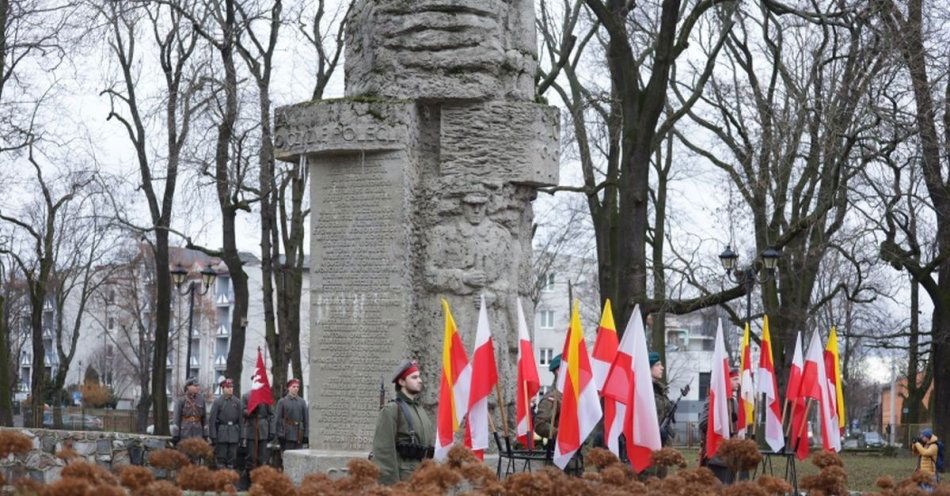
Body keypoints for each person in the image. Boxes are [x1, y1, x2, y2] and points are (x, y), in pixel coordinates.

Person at [371, 359, 435, 485]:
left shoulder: (420, 410)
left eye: (419, 377)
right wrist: (391, 489)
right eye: (414, 377)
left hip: (423, 480)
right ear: (401, 381)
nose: (420, 380)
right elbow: (383, 453)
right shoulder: (392, 410)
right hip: (404, 482)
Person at [699, 367, 742, 483]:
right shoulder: (714, 400)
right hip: (716, 456)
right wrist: (722, 424)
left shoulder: (733, 402)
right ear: (726, 381)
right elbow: (703, 423)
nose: (738, 382)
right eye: (735, 379)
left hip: (731, 455)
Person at [209, 378, 242, 469]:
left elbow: (241, 421)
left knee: (232, 457)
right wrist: (213, 436)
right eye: (228, 387)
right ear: (223, 388)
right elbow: (212, 420)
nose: (230, 389)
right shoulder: (218, 402)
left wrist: (241, 436)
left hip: (234, 433)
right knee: (221, 458)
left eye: (231, 387)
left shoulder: (237, 402)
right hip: (222, 433)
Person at [242, 387, 275, 470]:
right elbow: (242, 411)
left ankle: (261, 478)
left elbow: (271, 415)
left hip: (263, 429)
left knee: (263, 457)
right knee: (251, 457)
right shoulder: (246, 396)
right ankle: (250, 477)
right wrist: (250, 410)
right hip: (251, 428)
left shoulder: (266, 396)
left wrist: (271, 430)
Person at [275, 379, 308, 453]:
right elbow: (278, 419)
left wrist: (306, 435)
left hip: (299, 434)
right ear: (289, 388)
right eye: (294, 387)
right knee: (287, 457)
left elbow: (306, 420)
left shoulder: (302, 402)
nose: (296, 388)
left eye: (297, 387)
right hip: (286, 434)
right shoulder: (282, 401)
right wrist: (279, 434)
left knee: (299, 456)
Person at [534, 354, 562, 442]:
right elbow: (540, 425)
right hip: (562, 450)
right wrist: (561, 434)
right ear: (558, 371)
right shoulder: (552, 396)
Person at [173, 378, 206, 444]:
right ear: (188, 386)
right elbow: (176, 418)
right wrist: (176, 435)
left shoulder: (201, 399)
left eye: (198, 386)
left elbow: (204, 418)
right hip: (185, 431)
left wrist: (205, 433)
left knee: (197, 452)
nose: (197, 387)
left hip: (198, 432)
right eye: (195, 386)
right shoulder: (181, 400)